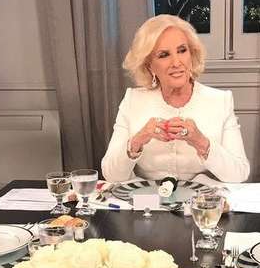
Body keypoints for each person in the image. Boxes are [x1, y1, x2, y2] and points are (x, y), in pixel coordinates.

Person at [101, 15, 250, 183]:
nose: (176, 62)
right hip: (148, 197)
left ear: (191, 54)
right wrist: (138, 140)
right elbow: (111, 175)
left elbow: (239, 174)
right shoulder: (133, 100)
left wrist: (201, 142)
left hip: (200, 198)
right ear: (149, 65)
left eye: (182, 50)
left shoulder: (220, 101)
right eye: (164, 55)